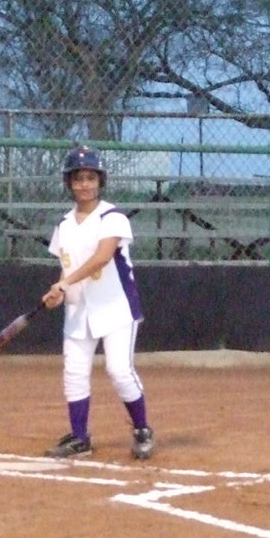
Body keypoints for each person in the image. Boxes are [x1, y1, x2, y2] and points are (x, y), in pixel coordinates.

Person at [39, 144, 155, 460]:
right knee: (74, 373)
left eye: (91, 177)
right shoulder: (63, 224)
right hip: (79, 310)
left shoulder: (112, 217)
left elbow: (102, 257)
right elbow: (67, 265)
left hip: (116, 308)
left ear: (100, 181)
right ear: (70, 183)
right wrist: (57, 293)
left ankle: (142, 428)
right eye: (78, 179)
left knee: (119, 371)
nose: (85, 185)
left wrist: (64, 282)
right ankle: (79, 438)